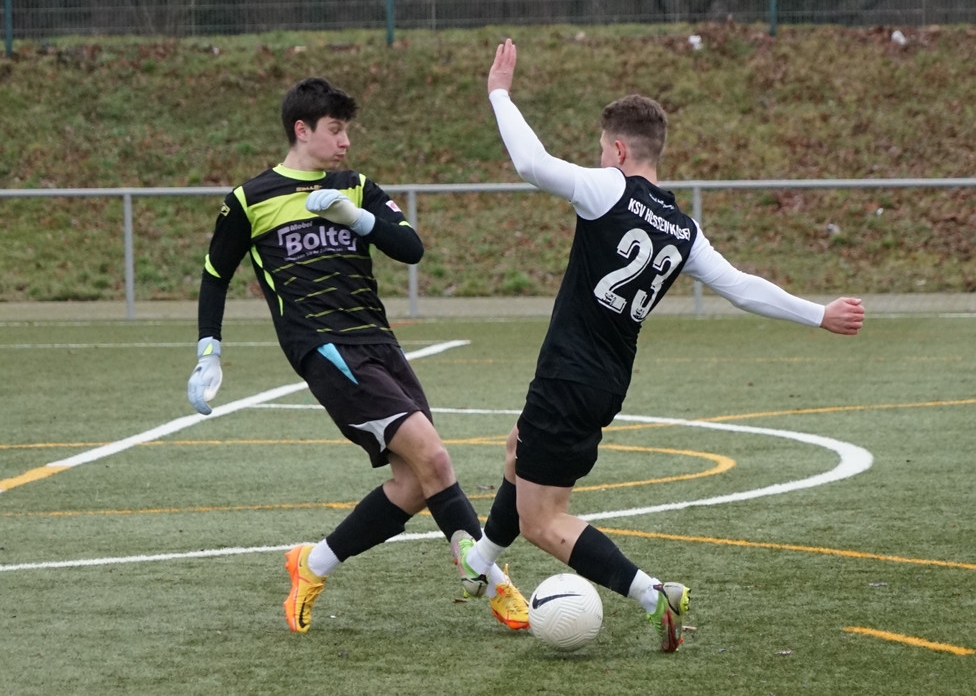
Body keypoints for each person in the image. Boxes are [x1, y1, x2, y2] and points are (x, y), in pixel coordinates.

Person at [452, 39, 866, 653]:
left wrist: (499, 93)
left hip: (568, 376)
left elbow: (531, 163)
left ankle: (652, 595)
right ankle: (481, 562)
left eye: (602, 149)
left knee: (543, 520)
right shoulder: (684, 228)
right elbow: (741, 287)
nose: (600, 158)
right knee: (518, 448)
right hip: (605, 382)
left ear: (619, 151)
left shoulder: (607, 189)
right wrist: (819, 314)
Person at [186, 76, 529, 633]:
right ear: (302, 130)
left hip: (380, 343)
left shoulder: (356, 186)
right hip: (325, 349)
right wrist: (209, 351)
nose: (345, 141)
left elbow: (410, 248)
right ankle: (493, 583)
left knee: (415, 483)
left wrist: (356, 218)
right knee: (436, 459)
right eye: (335, 130)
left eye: (347, 130)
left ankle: (313, 564)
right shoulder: (250, 200)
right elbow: (214, 276)